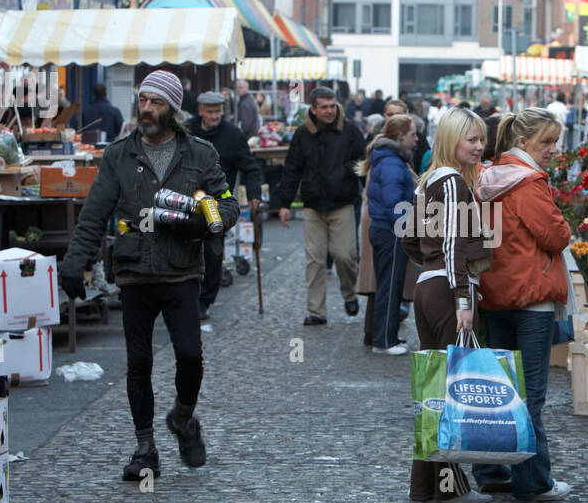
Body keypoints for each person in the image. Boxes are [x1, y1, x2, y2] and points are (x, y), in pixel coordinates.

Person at [60, 69, 238, 481]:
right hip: (135, 272)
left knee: (190, 356)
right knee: (138, 362)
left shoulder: (200, 154)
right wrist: (75, 264)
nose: (146, 108)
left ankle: (183, 417)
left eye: (155, 102)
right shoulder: (120, 155)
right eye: (142, 100)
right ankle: (145, 448)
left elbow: (227, 204)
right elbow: (93, 215)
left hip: (181, 272)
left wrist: (205, 223)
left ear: (173, 109)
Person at [473, 109, 574, 501]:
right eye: (546, 142)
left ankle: (490, 470)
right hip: (531, 296)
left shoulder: (488, 177)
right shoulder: (528, 183)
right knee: (530, 395)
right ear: (522, 143)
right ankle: (533, 482)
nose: (552, 151)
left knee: (498, 389)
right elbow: (556, 235)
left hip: (496, 294)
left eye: (554, 142)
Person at [401, 107, 492, 503]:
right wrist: (461, 297)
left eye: (481, 139)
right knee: (448, 389)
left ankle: (428, 487)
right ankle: (448, 488)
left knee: (434, 391)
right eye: (471, 139)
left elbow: (406, 236)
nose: (479, 146)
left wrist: (429, 263)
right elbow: (454, 244)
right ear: (451, 140)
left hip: (428, 287)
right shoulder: (453, 182)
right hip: (449, 291)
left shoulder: (427, 181)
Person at [277, 86, 365, 325]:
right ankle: (316, 311)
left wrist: (357, 180)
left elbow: (363, 162)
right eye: (323, 107)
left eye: (332, 106)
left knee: (345, 255)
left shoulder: (350, 131)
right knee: (314, 261)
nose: (329, 111)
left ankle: (349, 294)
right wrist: (284, 203)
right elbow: (292, 169)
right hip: (313, 205)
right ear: (313, 109)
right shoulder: (302, 134)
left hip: (343, 203)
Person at [189, 90, 263, 319]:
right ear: (200, 111)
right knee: (184, 249)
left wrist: (254, 194)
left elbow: (250, 168)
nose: (214, 116)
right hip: (186, 198)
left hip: (216, 201)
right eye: (209, 112)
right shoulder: (186, 130)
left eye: (218, 112)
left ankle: (204, 301)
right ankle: (184, 296)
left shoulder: (233, 135)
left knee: (212, 252)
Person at [362, 114, 418, 355]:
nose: (417, 139)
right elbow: (393, 202)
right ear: (401, 135)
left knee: (390, 284)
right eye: (413, 134)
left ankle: (388, 335)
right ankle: (384, 341)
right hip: (390, 231)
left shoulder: (387, 160)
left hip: (384, 229)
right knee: (389, 286)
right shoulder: (393, 164)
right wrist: (405, 229)